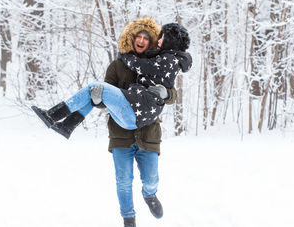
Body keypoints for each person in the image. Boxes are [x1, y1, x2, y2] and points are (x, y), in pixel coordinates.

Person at [31, 17, 191, 227]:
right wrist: (97, 100)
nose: (142, 40)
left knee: (151, 178)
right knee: (123, 182)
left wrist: (167, 94)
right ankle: (129, 219)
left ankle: (150, 194)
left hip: (148, 133)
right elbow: (104, 99)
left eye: (147, 37)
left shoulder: (159, 60)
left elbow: (170, 90)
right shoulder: (117, 65)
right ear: (131, 39)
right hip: (121, 132)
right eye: (138, 37)